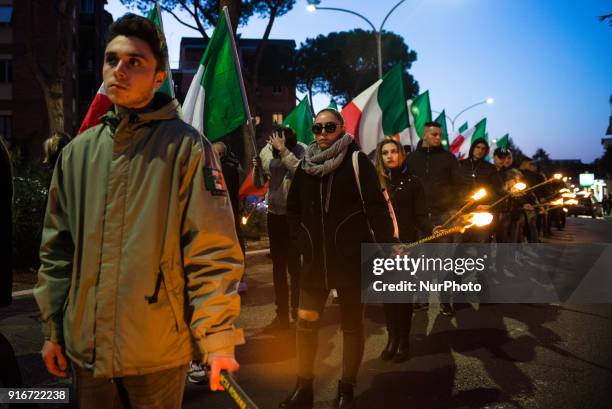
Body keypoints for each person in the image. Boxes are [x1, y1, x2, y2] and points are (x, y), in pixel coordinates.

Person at [34, 14, 243, 409]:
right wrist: (53, 331)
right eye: (112, 60)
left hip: (158, 350)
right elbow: (56, 251)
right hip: (87, 351)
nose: (120, 70)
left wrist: (217, 339)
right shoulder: (77, 154)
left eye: (135, 62)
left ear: (159, 76)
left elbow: (212, 252)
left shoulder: (187, 149)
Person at [281, 109, 394, 409]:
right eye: (317, 128)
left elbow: (377, 208)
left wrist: (387, 246)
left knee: (352, 327)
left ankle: (346, 391)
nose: (321, 133)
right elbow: (293, 209)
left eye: (329, 127)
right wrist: (300, 239)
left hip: (350, 262)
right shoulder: (305, 167)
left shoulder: (356, 162)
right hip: (314, 264)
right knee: (304, 325)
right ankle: (303, 389)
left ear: (341, 128)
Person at [375, 139, 431, 363]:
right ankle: (392, 339)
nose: (390, 156)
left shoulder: (413, 183)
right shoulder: (376, 184)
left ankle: (403, 342)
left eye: (394, 152)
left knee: (403, 296)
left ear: (401, 155)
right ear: (380, 157)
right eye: (385, 153)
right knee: (388, 297)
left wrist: (432, 228)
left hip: (407, 247)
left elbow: (420, 216)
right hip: (384, 247)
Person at [253, 126, 306, 330]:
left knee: (295, 268)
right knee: (278, 268)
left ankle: (297, 310)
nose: (274, 149)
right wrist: (257, 168)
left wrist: (283, 151)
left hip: (294, 216)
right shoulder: (266, 150)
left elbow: (301, 173)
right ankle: (281, 314)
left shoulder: (302, 150)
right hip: (274, 216)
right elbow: (259, 184)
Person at [405, 121, 460, 317]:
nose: (439, 138)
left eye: (440, 134)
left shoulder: (449, 158)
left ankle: (446, 300)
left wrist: (454, 208)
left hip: (443, 216)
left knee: (444, 261)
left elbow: (459, 184)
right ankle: (422, 299)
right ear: (424, 135)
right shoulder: (410, 159)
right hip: (420, 218)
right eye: (435, 134)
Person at [457, 138, 497, 243]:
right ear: (472, 148)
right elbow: (455, 187)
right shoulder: (460, 164)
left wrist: (489, 204)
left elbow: (494, 190)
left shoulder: (490, 168)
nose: (480, 151)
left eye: (483, 149)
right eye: (477, 147)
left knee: (482, 242)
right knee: (460, 243)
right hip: (464, 210)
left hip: (482, 209)